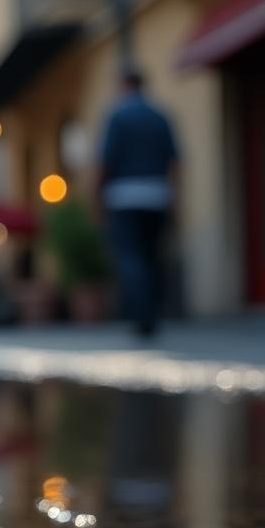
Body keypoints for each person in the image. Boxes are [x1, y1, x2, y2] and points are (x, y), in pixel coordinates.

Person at [97, 67, 180, 338]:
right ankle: (152, 313)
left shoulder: (117, 116)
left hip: (124, 197)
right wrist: (175, 197)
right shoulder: (160, 116)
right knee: (152, 256)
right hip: (158, 195)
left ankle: (142, 315)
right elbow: (174, 162)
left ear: (124, 85)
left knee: (131, 257)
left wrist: (97, 199)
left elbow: (104, 163)